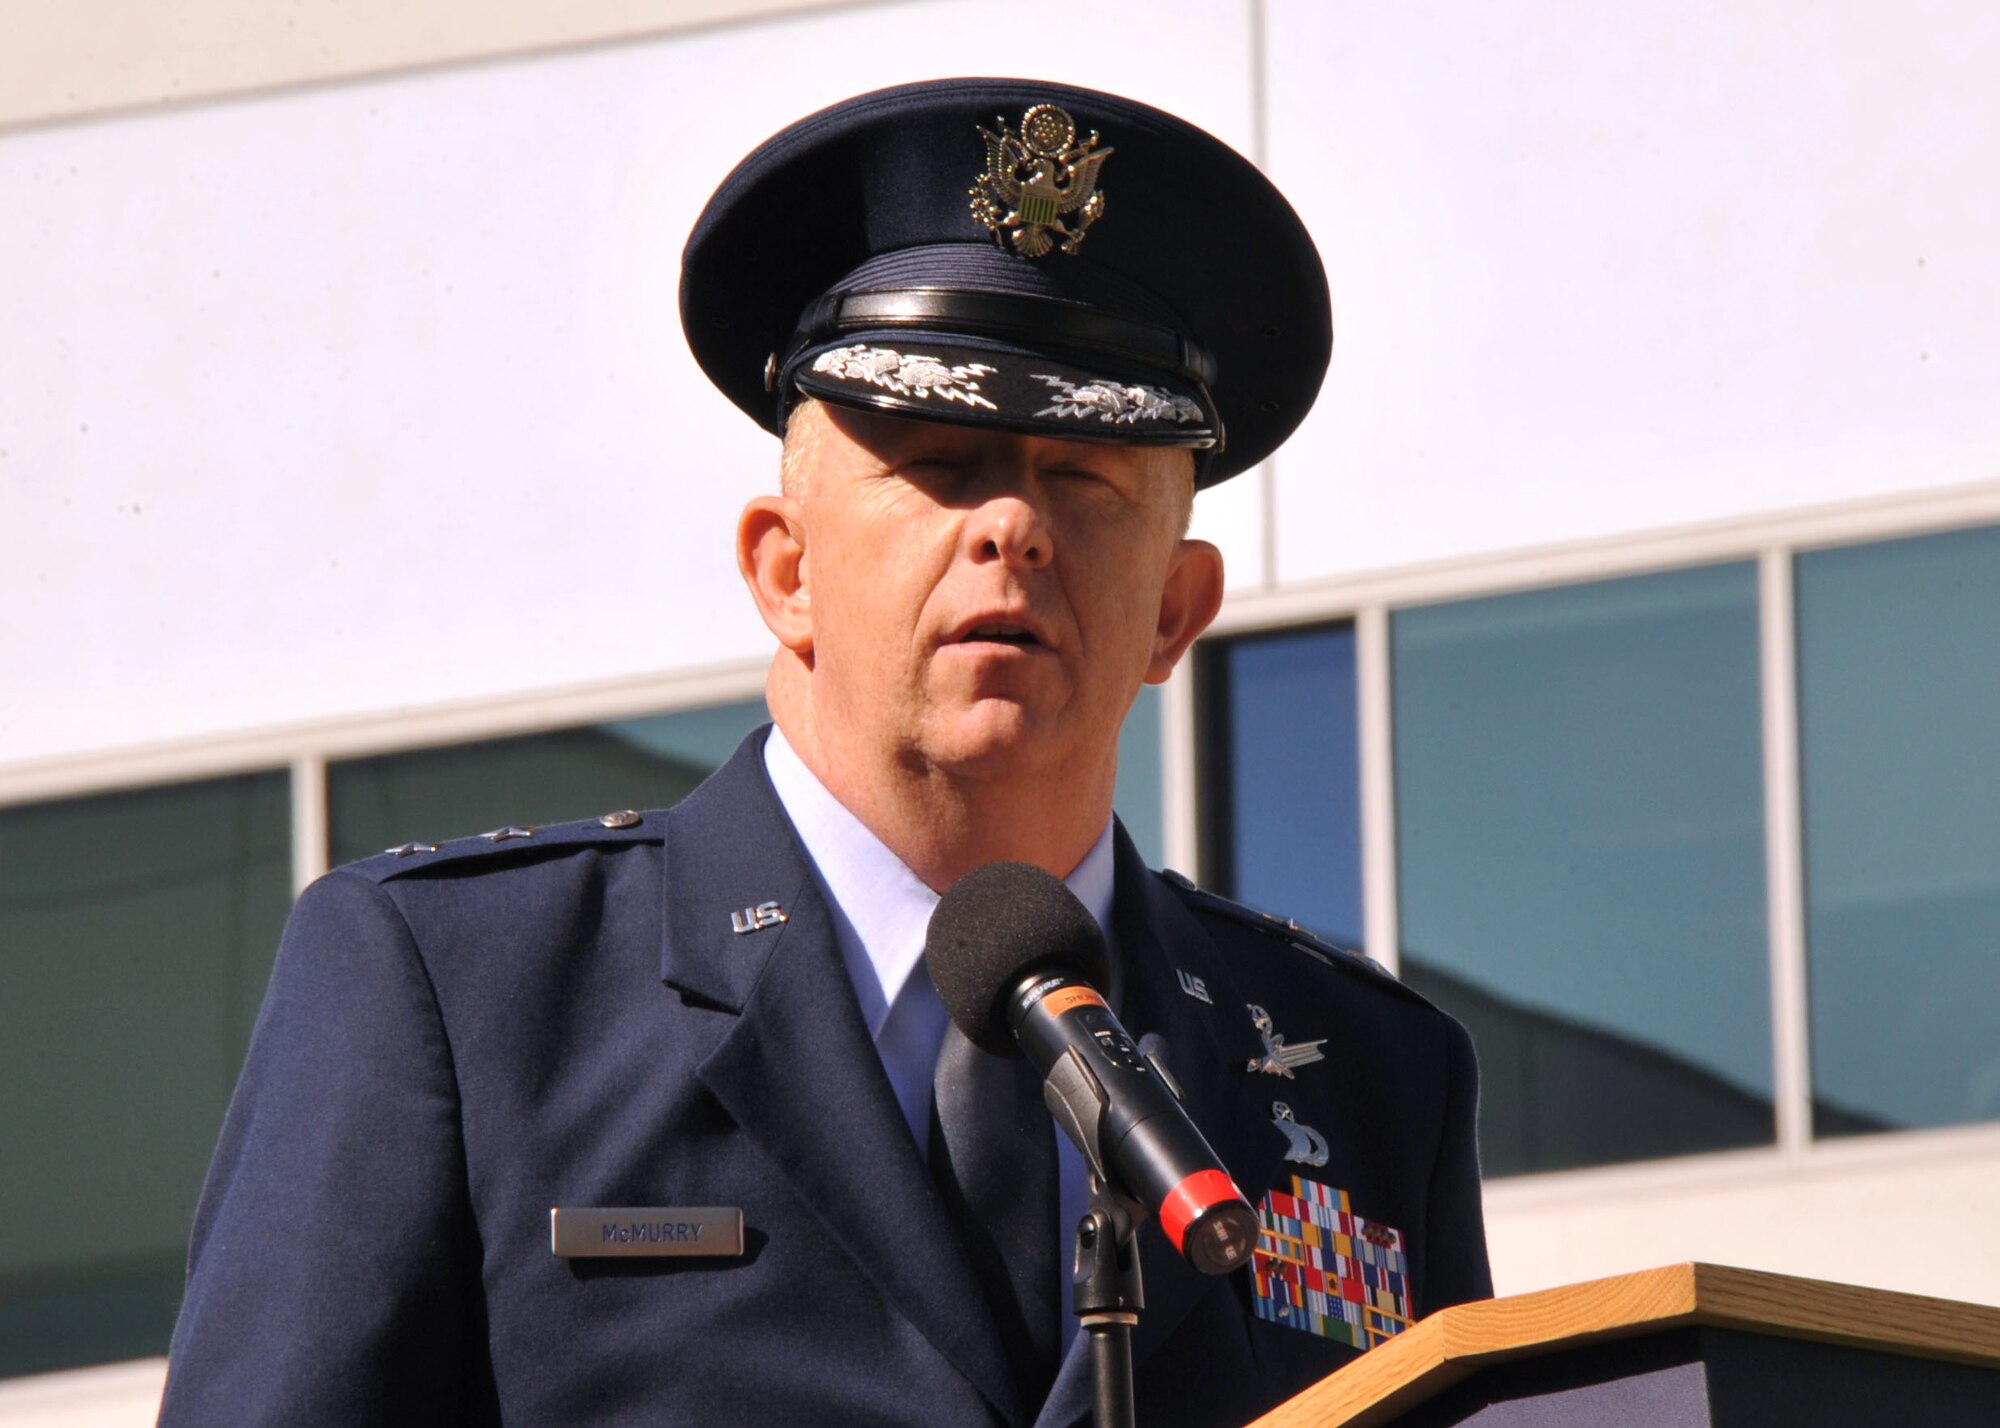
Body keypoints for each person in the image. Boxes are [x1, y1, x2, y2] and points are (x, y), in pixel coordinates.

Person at [160, 78, 1489, 1428]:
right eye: (941, 462)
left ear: (1174, 612)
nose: (1013, 529)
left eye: (1083, 479)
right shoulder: (466, 996)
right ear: (785, 571)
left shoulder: (1368, 1078)